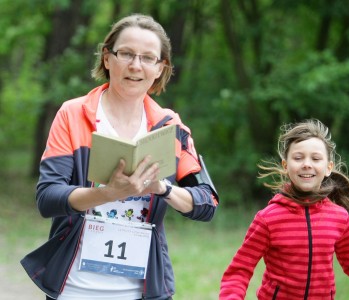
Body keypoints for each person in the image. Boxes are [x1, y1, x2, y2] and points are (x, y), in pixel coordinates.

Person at [21, 14, 219, 300]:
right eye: (126, 53)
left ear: (160, 68)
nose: (135, 66)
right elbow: (48, 198)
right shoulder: (73, 114)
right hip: (75, 289)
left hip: (142, 291)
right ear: (107, 58)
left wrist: (162, 188)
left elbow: (207, 202)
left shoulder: (170, 126)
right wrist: (109, 193)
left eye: (148, 58)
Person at [219, 119, 349, 299]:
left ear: (328, 167)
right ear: (286, 166)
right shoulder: (268, 218)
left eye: (315, 158)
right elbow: (239, 270)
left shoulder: (339, 217)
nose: (307, 164)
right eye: (298, 158)